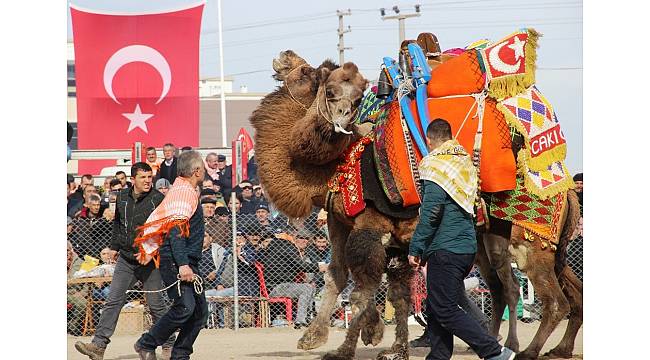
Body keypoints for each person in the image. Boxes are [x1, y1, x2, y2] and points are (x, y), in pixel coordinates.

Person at [408, 119, 514, 360]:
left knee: (444, 309)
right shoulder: (464, 161)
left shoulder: (434, 164)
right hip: (465, 247)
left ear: (429, 140)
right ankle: (438, 356)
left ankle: (493, 351)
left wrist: (416, 246)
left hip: (445, 248)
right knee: (436, 306)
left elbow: (432, 212)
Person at [74, 162, 175, 360]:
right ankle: (98, 346)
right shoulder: (121, 198)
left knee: (156, 305)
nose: (147, 181)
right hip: (127, 260)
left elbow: (165, 231)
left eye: (149, 177)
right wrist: (114, 247)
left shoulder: (158, 199)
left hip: (151, 260)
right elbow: (119, 228)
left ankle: (169, 342)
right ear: (132, 179)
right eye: (143, 177)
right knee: (113, 301)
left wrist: (150, 251)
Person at [133, 150, 208, 360]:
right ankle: (146, 343)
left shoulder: (186, 190)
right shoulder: (183, 192)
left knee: (200, 312)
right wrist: (183, 265)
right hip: (177, 260)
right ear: (196, 171)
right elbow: (176, 231)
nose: (204, 170)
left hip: (187, 259)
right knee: (185, 307)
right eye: (202, 166)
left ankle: (180, 355)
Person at [261, 229, 327, 329]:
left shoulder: (278, 246)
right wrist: (320, 267)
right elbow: (302, 266)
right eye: (298, 237)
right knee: (307, 288)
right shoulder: (286, 247)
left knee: (310, 287)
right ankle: (300, 320)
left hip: (279, 286)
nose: (302, 240)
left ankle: (307, 317)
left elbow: (296, 266)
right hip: (276, 287)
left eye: (305, 238)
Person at [68, 240, 87, 336]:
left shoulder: (81, 263)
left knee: (82, 303)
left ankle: (72, 326)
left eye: (67, 250)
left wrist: (82, 293)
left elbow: (88, 281)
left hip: (75, 293)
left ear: (71, 250)